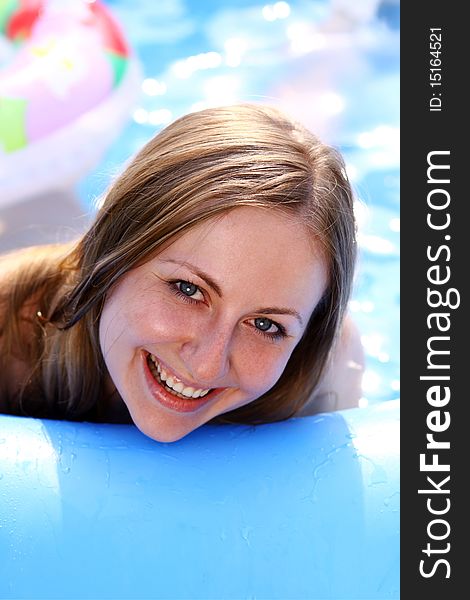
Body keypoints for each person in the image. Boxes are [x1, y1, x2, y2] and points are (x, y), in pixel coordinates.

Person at [0, 104, 364, 442]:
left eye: (266, 325)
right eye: (188, 289)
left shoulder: (325, 368)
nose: (206, 366)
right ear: (112, 250)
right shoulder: (8, 337)